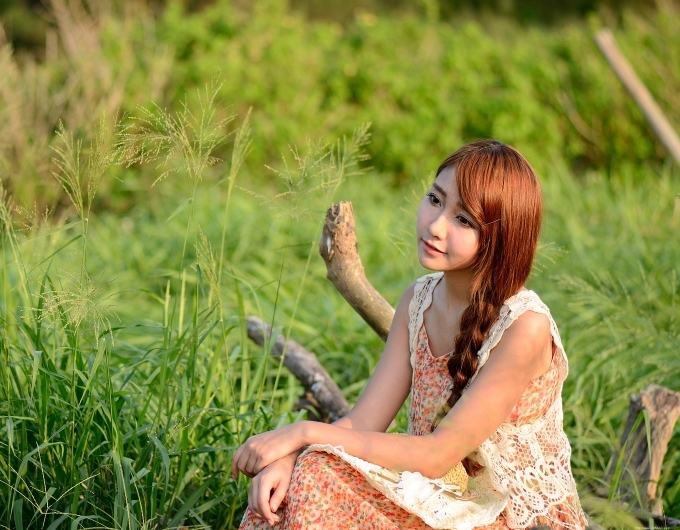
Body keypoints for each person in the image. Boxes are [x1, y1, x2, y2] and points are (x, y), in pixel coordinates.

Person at [232, 140, 587, 529]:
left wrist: (301, 433)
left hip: (510, 517)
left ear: (502, 237)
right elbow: (363, 422)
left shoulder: (524, 326)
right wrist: (290, 457)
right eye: (435, 200)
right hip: (437, 497)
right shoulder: (418, 301)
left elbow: (438, 454)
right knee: (291, 484)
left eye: (463, 220)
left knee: (316, 475)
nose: (435, 226)